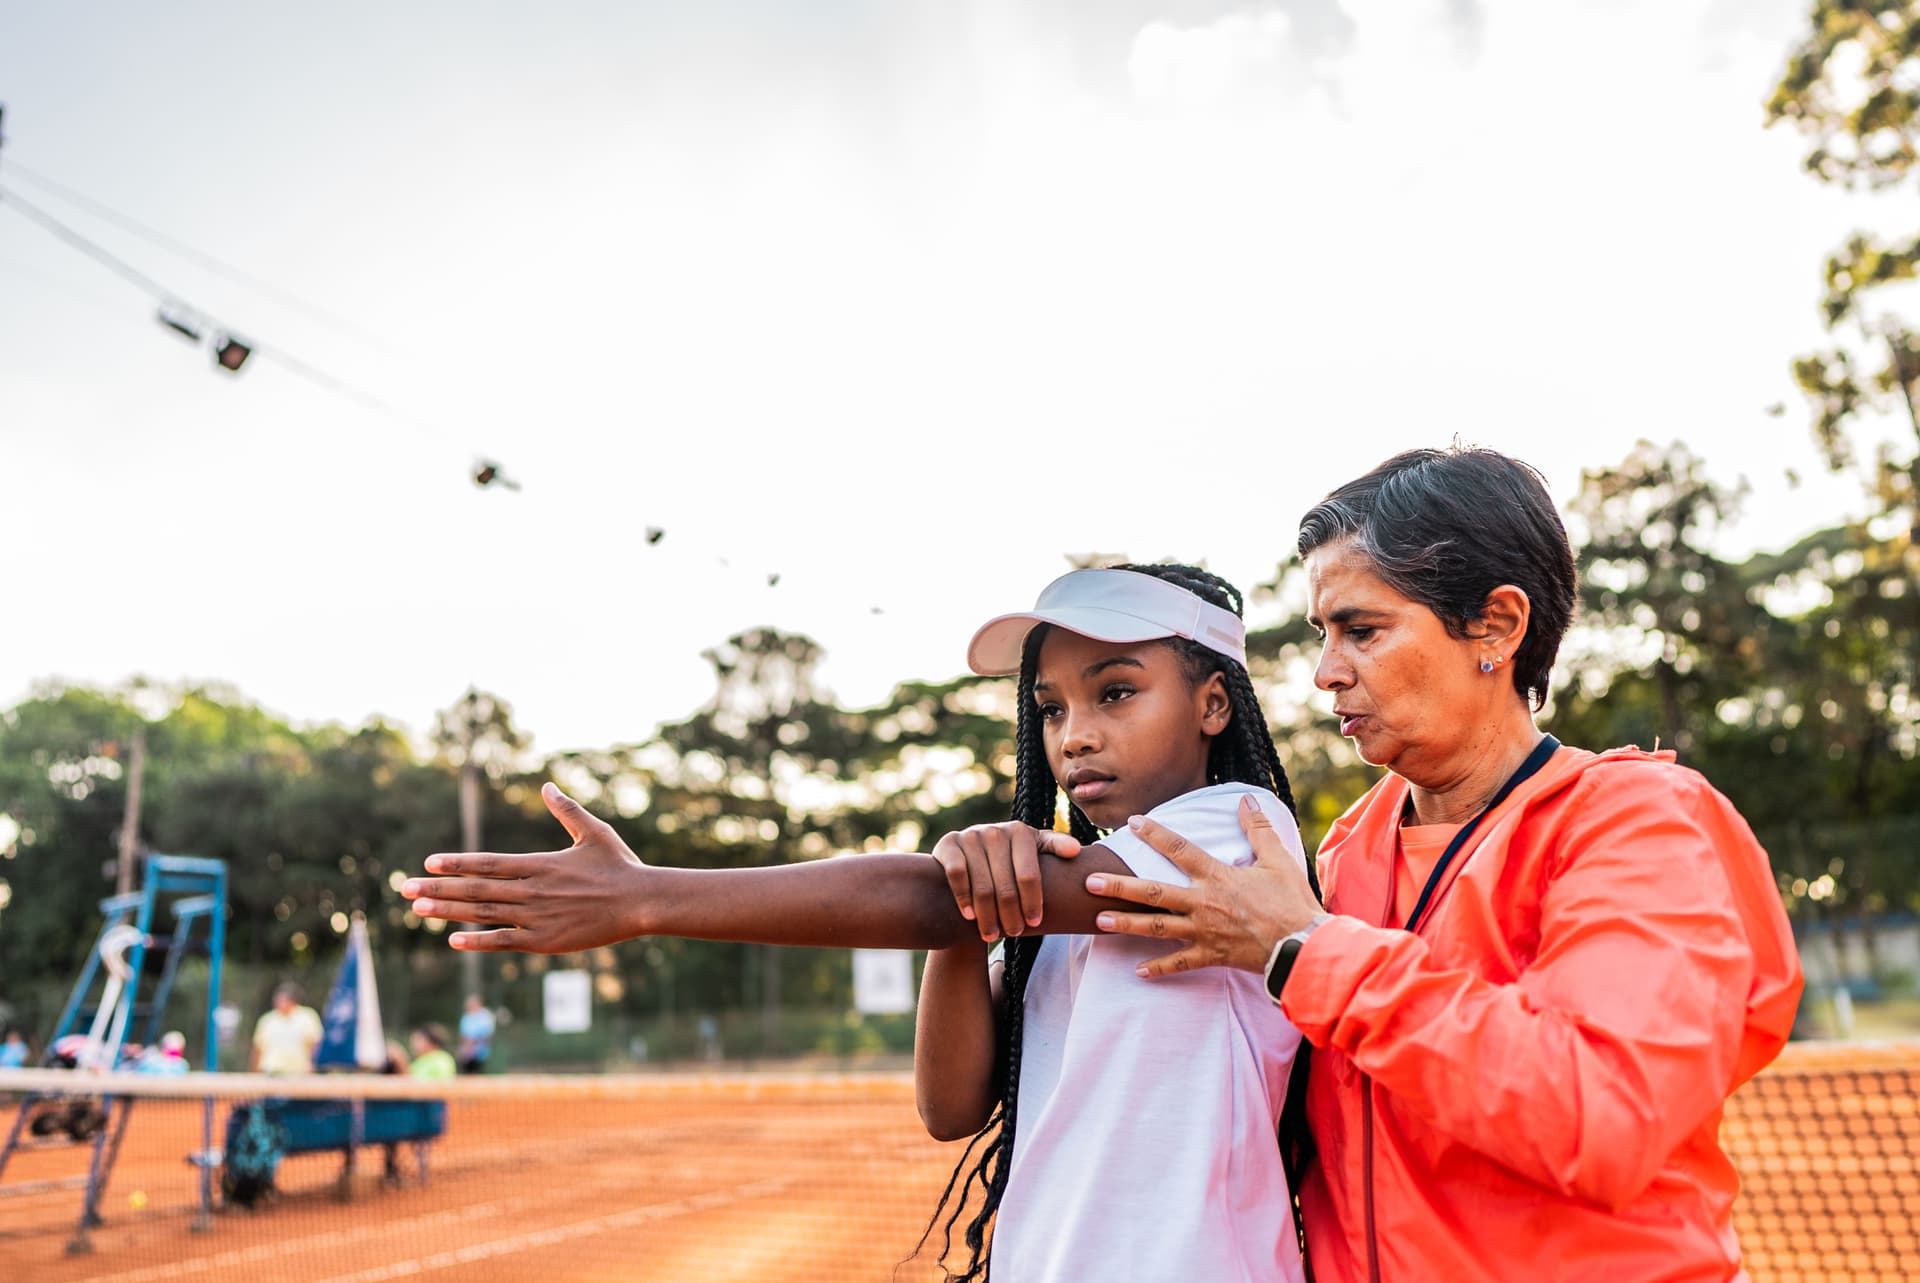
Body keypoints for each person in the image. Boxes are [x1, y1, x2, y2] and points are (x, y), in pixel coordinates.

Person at [964, 447, 1805, 1281]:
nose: (1328, 673)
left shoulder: (1641, 820)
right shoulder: (1343, 850)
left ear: (1499, 626)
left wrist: (1303, 951)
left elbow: (1603, 1113)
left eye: (1362, 630)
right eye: (1322, 634)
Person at [404, 564, 1315, 1282]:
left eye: (1116, 692)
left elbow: (923, 897)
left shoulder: (1237, 829)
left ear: (1212, 703)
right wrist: (968, 922)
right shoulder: (1062, 894)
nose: (1073, 733)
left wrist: (648, 898)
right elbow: (951, 1106)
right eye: (1050, 707)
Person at [251, 983, 322, 1075]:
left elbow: (315, 1045)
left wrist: (314, 1066)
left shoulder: (306, 1017)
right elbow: (258, 1049)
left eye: (284, 1000)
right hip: (271, 1072)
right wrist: (255, 1073)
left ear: (293, 1001)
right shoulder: (267, 1020)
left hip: (300, 1072)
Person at [456, 994, 494, 1074]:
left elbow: (488, 1035)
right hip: (467, 1052)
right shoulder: (466, 1017)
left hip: (480, 1052)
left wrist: (473, 1044)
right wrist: (465, 1047)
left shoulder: (485, 1016)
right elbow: (463, 1035)